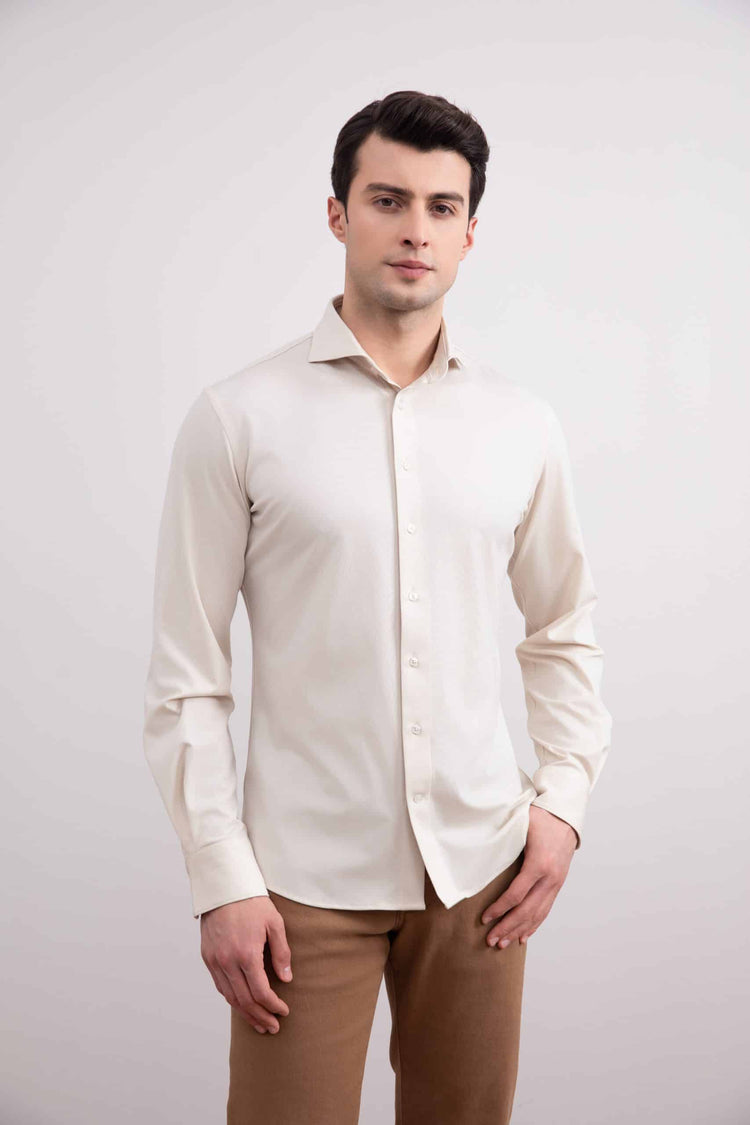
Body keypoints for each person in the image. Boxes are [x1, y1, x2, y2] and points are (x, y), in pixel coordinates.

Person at [143, 89, 612, 1124]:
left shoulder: (520, 425)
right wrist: (221, 876)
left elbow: (563, 627)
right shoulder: (238, 418)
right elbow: (187, 675)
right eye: (388, 200)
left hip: (481, 873)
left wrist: (564, 805)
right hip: (300, 883)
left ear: (470, 232)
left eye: (443, 208)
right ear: (338, 214)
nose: (416, 230)